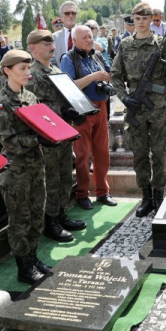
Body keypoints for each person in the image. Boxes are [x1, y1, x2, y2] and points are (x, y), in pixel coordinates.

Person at [0, 50, 55, 284]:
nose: (27, 73)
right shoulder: (1, 104)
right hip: (16, 172)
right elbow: (9, 142)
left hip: (36, 167)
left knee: (37, 216)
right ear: (7, 71)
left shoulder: (29, 97)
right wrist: (39, 140)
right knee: (20, 220)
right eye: (22, 69)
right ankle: (23, 266)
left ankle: (33, 257)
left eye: (28, 68)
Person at [111, 3, 166, 218]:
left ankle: (159, 194)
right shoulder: (124, 45)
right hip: (135, 107)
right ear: (133, 19)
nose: (140, 21)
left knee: (159, 153)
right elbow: (114, 75)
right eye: (137, 18)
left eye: (145, 17)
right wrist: (124, 97)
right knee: (139, 154)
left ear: (151, 19)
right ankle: (146, 196)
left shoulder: (161, 44)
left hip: (158, 107)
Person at [25, 29, 87, 242]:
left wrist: (79, 109)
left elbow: (67, 95)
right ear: (33, 48)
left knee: (63, 175)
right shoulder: (33, 74)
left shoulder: (54, 69)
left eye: (52, 43)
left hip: (63, 133)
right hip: (48, 136)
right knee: (51, 178)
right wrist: (62, 111)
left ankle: (60, 213)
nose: (52, 47)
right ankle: (50, 221)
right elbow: (36, 106)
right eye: (45, 44)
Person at [61, 25, 116, 209]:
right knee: (83, 155)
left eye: (90, 37)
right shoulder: (68, 58)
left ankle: (103, 192)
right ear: (74, 41)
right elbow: (69, 85)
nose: (89, 40)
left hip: (101, 107)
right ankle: (82, 194)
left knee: (102, 151)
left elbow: (109, 74)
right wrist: (93, 77)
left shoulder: (97, 55)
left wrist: (105, 78)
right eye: (84, 37)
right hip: (82, 110)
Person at [53, 2, 78, 67]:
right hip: (61, 75)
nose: (71, 15)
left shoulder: (85, 34)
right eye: (67, 13)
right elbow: (52, 59)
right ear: (61, 17)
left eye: (73, 13)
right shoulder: (54, 37)